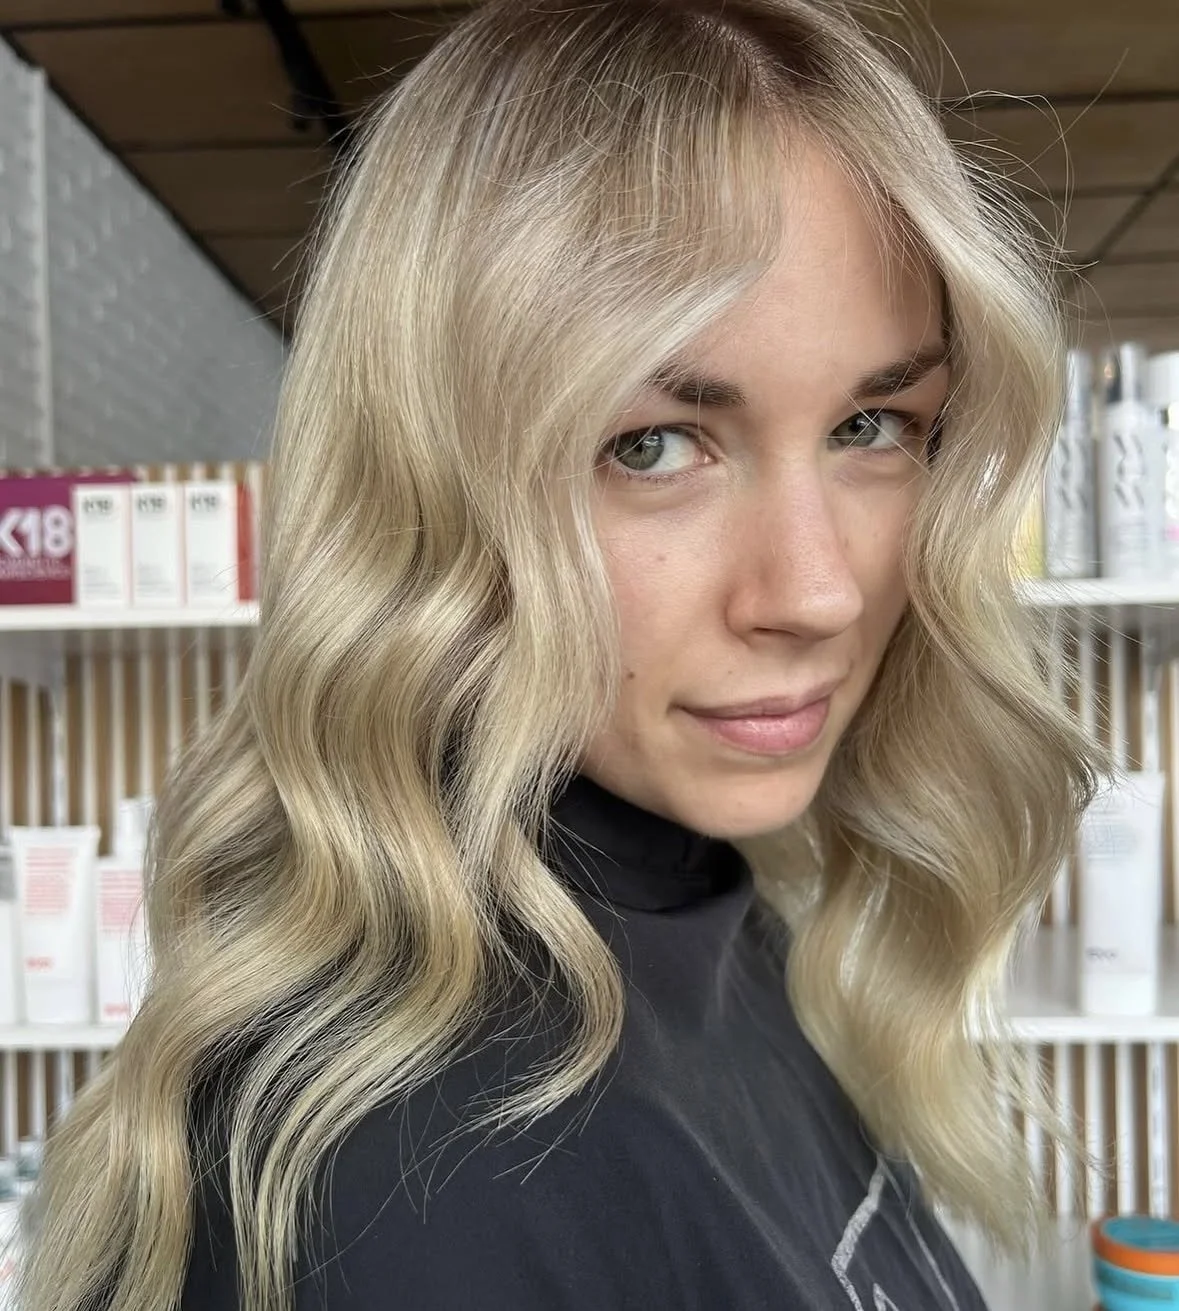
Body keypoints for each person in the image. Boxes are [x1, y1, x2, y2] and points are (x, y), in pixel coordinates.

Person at [17, 0, 1106, 1307]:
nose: (819, 592)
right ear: (428, 484)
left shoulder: (707, 905)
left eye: (872, 424)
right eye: (653, 444)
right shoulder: (419, 1179)